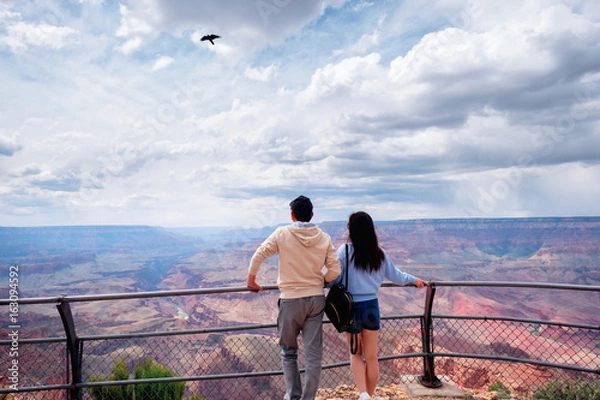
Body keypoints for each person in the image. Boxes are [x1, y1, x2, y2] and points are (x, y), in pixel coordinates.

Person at [246, 195, 341, 400]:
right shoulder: (324, 237)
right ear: (312, 214)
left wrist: (251, 281)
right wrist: (318, 281)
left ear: (292, 215)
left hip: (290, 300)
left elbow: (259, 255)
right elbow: (335, 270)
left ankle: (293, 396)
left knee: (289, 351)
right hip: (316, 300)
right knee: (313, 355)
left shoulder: (282, 234)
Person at [330, 211, 428, 400]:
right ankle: (370, 394)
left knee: (356, 354)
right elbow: (396, 276)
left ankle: (363, 394)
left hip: (351, 309)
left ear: (351, 230)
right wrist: (414, 280)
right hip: (371, 307)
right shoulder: (379, 253)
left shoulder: (345, 251)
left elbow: (334, 278)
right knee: (372, 356)